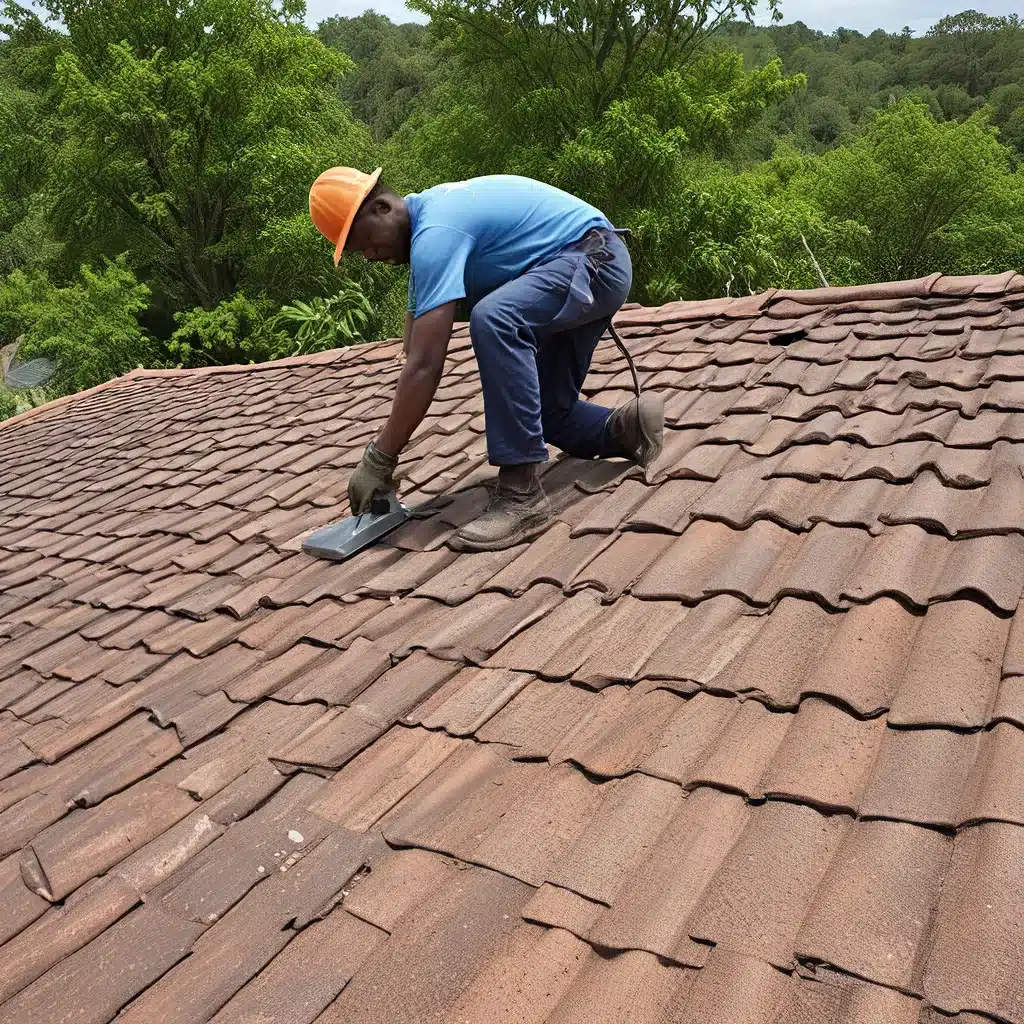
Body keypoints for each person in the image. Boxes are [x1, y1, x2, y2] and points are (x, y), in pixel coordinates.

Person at [308, 166, 664, 552]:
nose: (372, 256)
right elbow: (412, 351)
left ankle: (520, 496)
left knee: (496, 318)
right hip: (578, 266)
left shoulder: (436, 233)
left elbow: (426, 366)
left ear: (381, 207)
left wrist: (379, 458)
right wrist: (386, 444)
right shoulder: (429, 230)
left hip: (592, 259)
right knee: (545, 416)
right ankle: (627, 427)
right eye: (361, 253)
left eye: (367, 243)